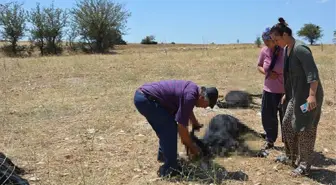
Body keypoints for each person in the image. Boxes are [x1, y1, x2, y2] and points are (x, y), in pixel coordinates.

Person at [270, 17, 324, 177]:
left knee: (306, 128)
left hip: (309, 98)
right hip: (296, 97)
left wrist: (312, 96)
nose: (275, 42)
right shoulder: (286, 49)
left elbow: (312, 73)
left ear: (285, 34)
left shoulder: (301, 49)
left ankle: (304, 165)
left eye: (277, 39)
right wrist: (288, 93)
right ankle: (290, 157)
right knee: (287, 124)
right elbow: (292, 76)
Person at [133, 80, 219, 178]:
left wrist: (194, 122)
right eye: (207, 105)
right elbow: (182, 129)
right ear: (203, 98)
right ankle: (170, 169)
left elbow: (186, 108)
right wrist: (193, 148)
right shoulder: (190, 97)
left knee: (166, 127)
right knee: (169, 129)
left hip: (145, 96)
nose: (205, 108)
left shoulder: (193, 90)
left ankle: (164, 156)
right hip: (146, 100)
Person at [257, 27, 285, 150]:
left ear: (274, 40)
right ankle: (270, 140)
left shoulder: (285, 51)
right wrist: (267, 73)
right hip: (269, 90)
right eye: (264, 41)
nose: (266, 44)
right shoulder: (264, 51)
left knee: (285, 117)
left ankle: (288, 143)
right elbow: (259, 66)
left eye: (268, 41)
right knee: (268, 116)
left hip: (284, 91)